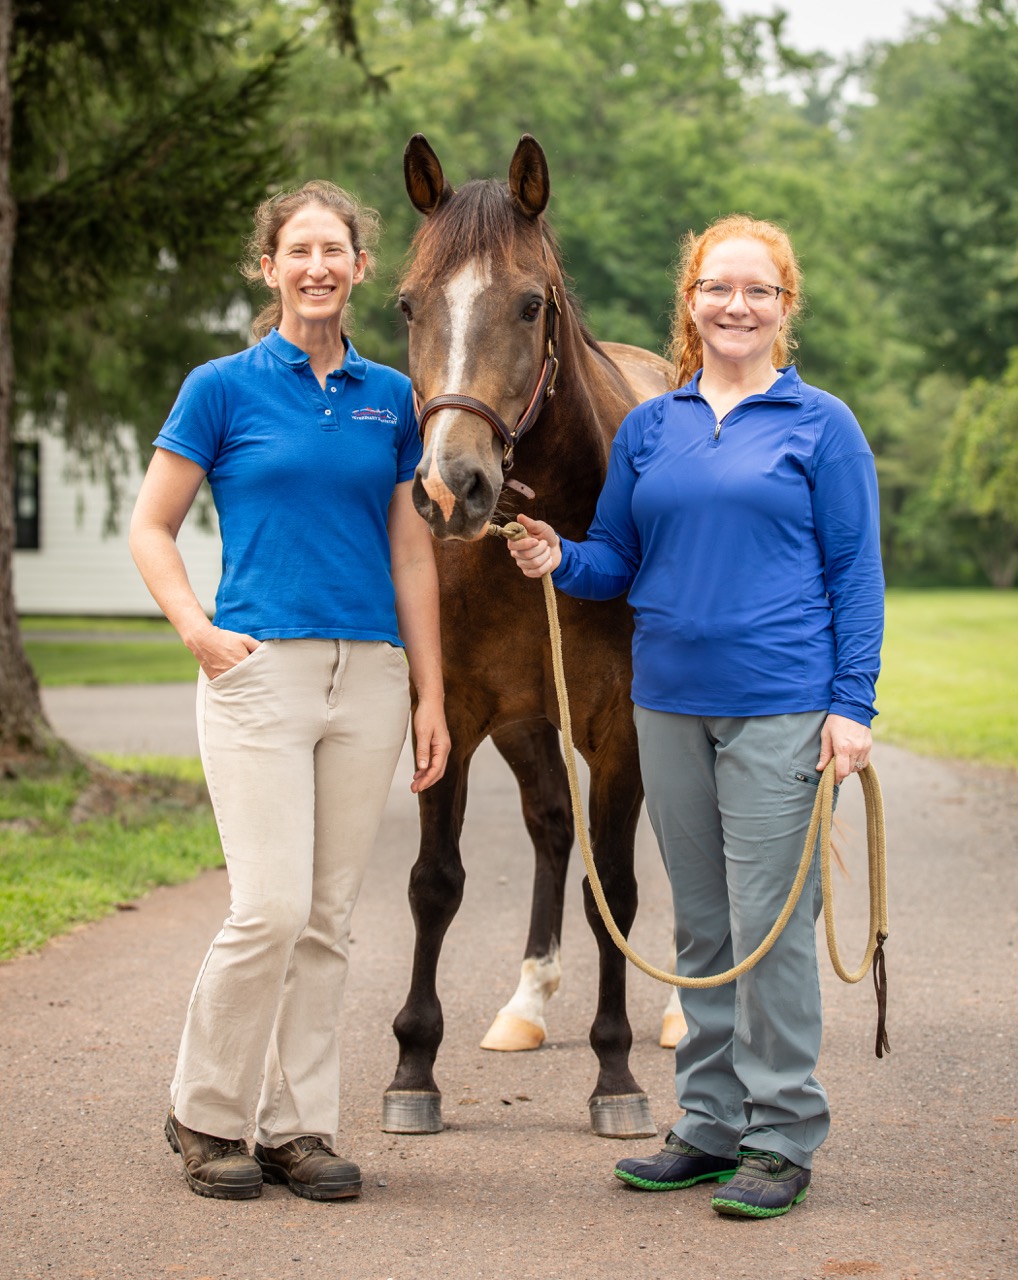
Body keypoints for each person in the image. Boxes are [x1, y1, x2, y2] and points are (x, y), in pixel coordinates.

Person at [506, 214, 883, 1219]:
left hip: (782, 705)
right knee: (704, 921)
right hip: (666, 705)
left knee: (772, 924)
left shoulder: (821, 425)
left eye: (758, 290)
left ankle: (782, 1131)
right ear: (691, 301)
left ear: (784, 306)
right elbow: (618, 563)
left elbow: (856, 572)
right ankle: (710, 1122)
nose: (736, 305)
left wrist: (851, 706)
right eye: (718, 287)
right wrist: (558, 555)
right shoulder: (652, 427)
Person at [130, 180, 450, 1202]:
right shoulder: (220, 388)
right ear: (268, 267)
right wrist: (197, 629)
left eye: (334, 250)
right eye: (298, 250)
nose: (318, 266)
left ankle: (297, 1127)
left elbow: (411, 550)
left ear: (361, 267)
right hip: (258, 671)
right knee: (268, 908)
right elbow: (151, 526)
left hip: (370, 679)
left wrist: (430, 694)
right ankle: (204, 1113)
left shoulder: (393, 397)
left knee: (327, 919)